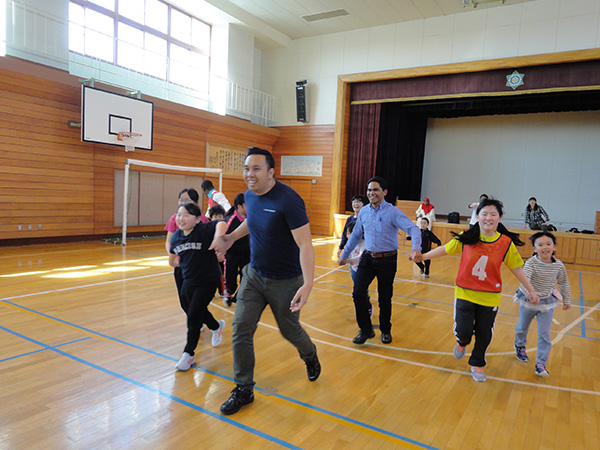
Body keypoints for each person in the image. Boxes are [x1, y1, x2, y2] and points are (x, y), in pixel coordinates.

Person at [210, 147, 320, 416]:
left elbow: (305, 244)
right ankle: (244, 388)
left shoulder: (289, 200)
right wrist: (231, 237)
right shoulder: (250, 195)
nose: (250, 174)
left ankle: (310, 354)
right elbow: (252, 221)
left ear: (271, 172)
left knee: (289, 331)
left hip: (286, 281)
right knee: (241, 328)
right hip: (255, 276)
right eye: (247, 168)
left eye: (256, 169)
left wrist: (308, 284)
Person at [414, 198, 539, 382]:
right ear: (478, 216)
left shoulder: (505, 243)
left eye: (493, 214)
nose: (489, 218)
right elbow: (445, 249)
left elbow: (517, 269)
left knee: (484, 333)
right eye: (485, 214)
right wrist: (422, 256)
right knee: (464, 330)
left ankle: (477, 363)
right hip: (465, 292)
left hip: (490, 297)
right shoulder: (467, 237)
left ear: (500, 217)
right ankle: (462, 342)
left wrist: (531, 291)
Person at [337, 176, 422, 345]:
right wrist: (344, 255)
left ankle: (385, 330)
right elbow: (355, 235)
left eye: (375, 190)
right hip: (367, 258)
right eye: (369, 190)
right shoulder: (364, 212)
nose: (371, 193)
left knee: (385, 298)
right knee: (358, 293)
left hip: (387, 260)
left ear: (384, 192)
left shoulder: (393, 212)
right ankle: (366, 330)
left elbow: (413, 228)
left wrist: (416, 248)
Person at [168, 202, 227, 372]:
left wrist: (217, 238)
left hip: (208, 280)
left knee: (193, 315)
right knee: (191, 308)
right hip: (189, 281)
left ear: (196, 219)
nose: (181, 218)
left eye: (186, 215)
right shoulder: (177, 236)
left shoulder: (203, 230)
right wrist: (173, 263)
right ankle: (216, 327)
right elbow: (172, 257)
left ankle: (188, 354)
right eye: (179, 214)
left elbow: (221, 223)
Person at [514, 231, 571, 377]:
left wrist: (567, 299)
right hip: (529, 302)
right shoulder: (531, 263)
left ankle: (541, 363)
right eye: (540, 245)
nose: (544, 247)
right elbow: (524, 281)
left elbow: (563, 282)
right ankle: (519, 345)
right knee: (521, 327)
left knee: (544, 334)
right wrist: (530, 295)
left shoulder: (558, 266)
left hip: (546, 303)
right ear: (534, 248)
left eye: (548, 244)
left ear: (554, 246)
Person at [164, 188, 209, 313]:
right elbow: (169, 241)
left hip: (198, 266)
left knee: (197, 300)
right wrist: (173, 256)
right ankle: (198, 322)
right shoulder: (175, 219)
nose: (182, 202)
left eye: (187, 200)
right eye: (181, 200)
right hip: (181, 265)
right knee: (184, 299)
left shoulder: (203, 220)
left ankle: (201, 324)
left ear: (195, 202)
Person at [222, 193, 250, 307]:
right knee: (230, 278)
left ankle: (240, 297)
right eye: (247, 205)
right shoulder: (230, 220)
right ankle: (228, 293)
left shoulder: (250, 218)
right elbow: (223, 238)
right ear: (239, 206)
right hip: (232, 255)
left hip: (247, 254)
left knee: (246, 277)